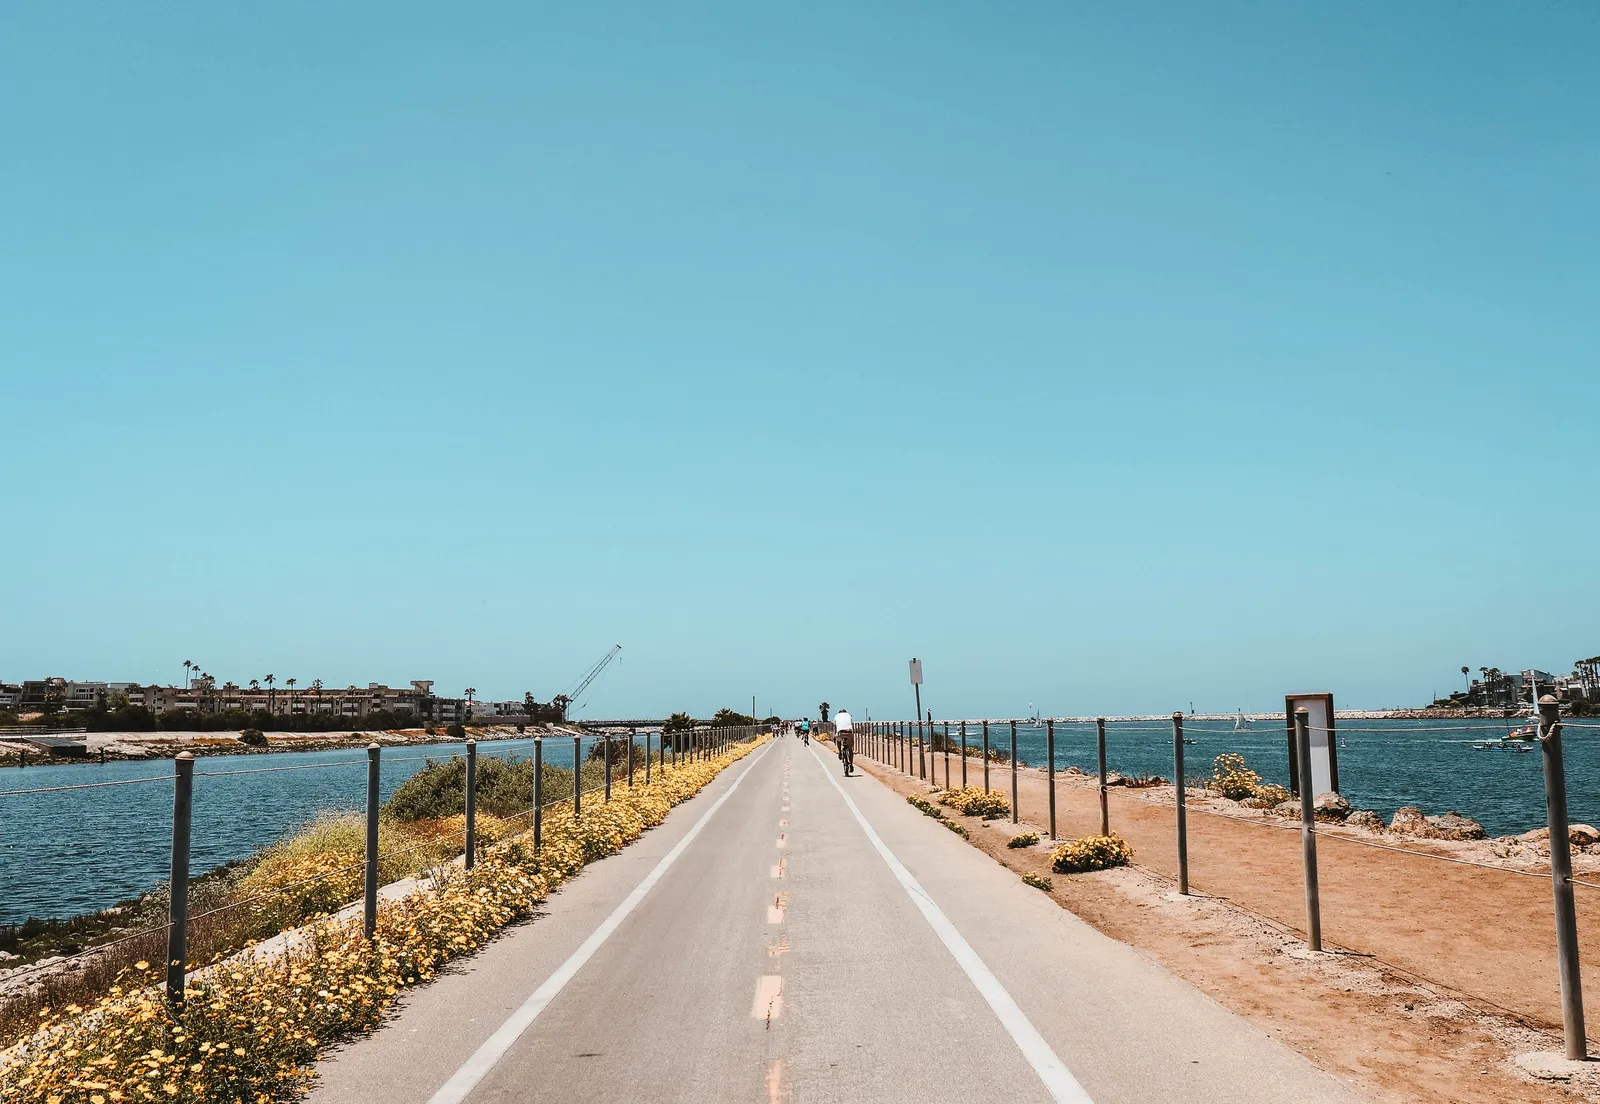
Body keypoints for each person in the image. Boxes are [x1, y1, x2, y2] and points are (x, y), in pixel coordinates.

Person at [834, 708, 854, 776]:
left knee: (838, 740)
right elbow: (851, 724)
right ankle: (851, 764)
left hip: (840, 732)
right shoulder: (849, 715)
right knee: (850, 749)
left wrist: (835, 735)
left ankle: (840, 752)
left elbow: (835, 726)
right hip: (849, 732)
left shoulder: (837, 716)